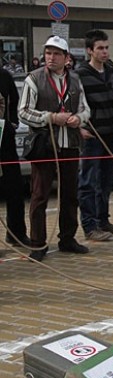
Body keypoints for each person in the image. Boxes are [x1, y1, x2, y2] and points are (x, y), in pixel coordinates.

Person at [18, 36, 91, 261]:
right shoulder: (34, 79)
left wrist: (78, 119)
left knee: (70, 194)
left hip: (69, 145)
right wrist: (51, 117)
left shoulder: (76, 81)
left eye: (56, 53)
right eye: (48, 53)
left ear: (66, 58)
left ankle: (68, 238)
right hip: (44, 146)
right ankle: (38, 244)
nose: (51, 57)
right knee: (39, 196)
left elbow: (86, 109)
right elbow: (23, 111)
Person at [76, 29, 113, 243]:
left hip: (111, 134)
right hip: (91, 135)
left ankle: (103, 220)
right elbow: (73, 105)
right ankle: (89, 226)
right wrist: (80, 128)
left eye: (106, 48)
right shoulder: (79, 74)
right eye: (100, 48)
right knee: (88, 181)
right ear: (90, 50)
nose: (104, 52)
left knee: (107, 180)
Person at [0, 68, 30, 248]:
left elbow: (14, 100)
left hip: (5, 141)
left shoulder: (4, 76)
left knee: (15, 190)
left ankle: (16, 234)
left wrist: (12, 124)